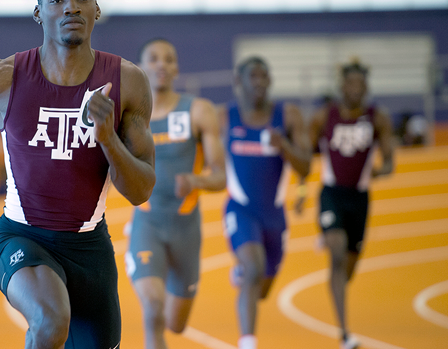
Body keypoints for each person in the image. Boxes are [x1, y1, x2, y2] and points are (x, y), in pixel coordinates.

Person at [0, 0, 155, 349]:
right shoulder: (1, 78)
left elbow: (141, 191)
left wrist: (107, 137)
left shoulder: (128, 84)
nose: (70, 6)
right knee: (50, 321)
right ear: (38, 13)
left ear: (97, 9)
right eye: (56, 0)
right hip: (22, 235)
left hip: (90, 248)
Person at [125, 39, 226, 349]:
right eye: (153, 58)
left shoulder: (198, 111)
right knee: (153, 307)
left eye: (168, 59)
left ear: (176, 68)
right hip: (148, 225)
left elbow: (221, 176)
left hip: (185, 230)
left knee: (176, 324)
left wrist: (195, 181)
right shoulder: (128, 118)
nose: (161, 65)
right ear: (140, 68)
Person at [221, 57, 311, 349]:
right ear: (239, 82)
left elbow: (306, 166)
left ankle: (244, 274)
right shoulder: (225, 117)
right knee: (253, 265)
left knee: (263, 287)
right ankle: (248, 342)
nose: (259, 82)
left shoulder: (289, 116)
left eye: (263, 77)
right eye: (252, 77)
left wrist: (283, 145)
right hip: (240, 208)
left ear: (270, 81)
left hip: (274, 215)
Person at [309, 60, 394, 349]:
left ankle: (335, 257)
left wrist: (382, 169)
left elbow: (390, 160)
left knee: (348, 268)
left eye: (361, 84)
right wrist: (297, 193)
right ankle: (344, 333)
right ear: (342, 86)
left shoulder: (378, 118)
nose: (356, 89)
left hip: (359, 199)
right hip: (331, 194)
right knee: (335, 255)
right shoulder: (324, 116)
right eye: (351, 84)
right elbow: (305, 155)